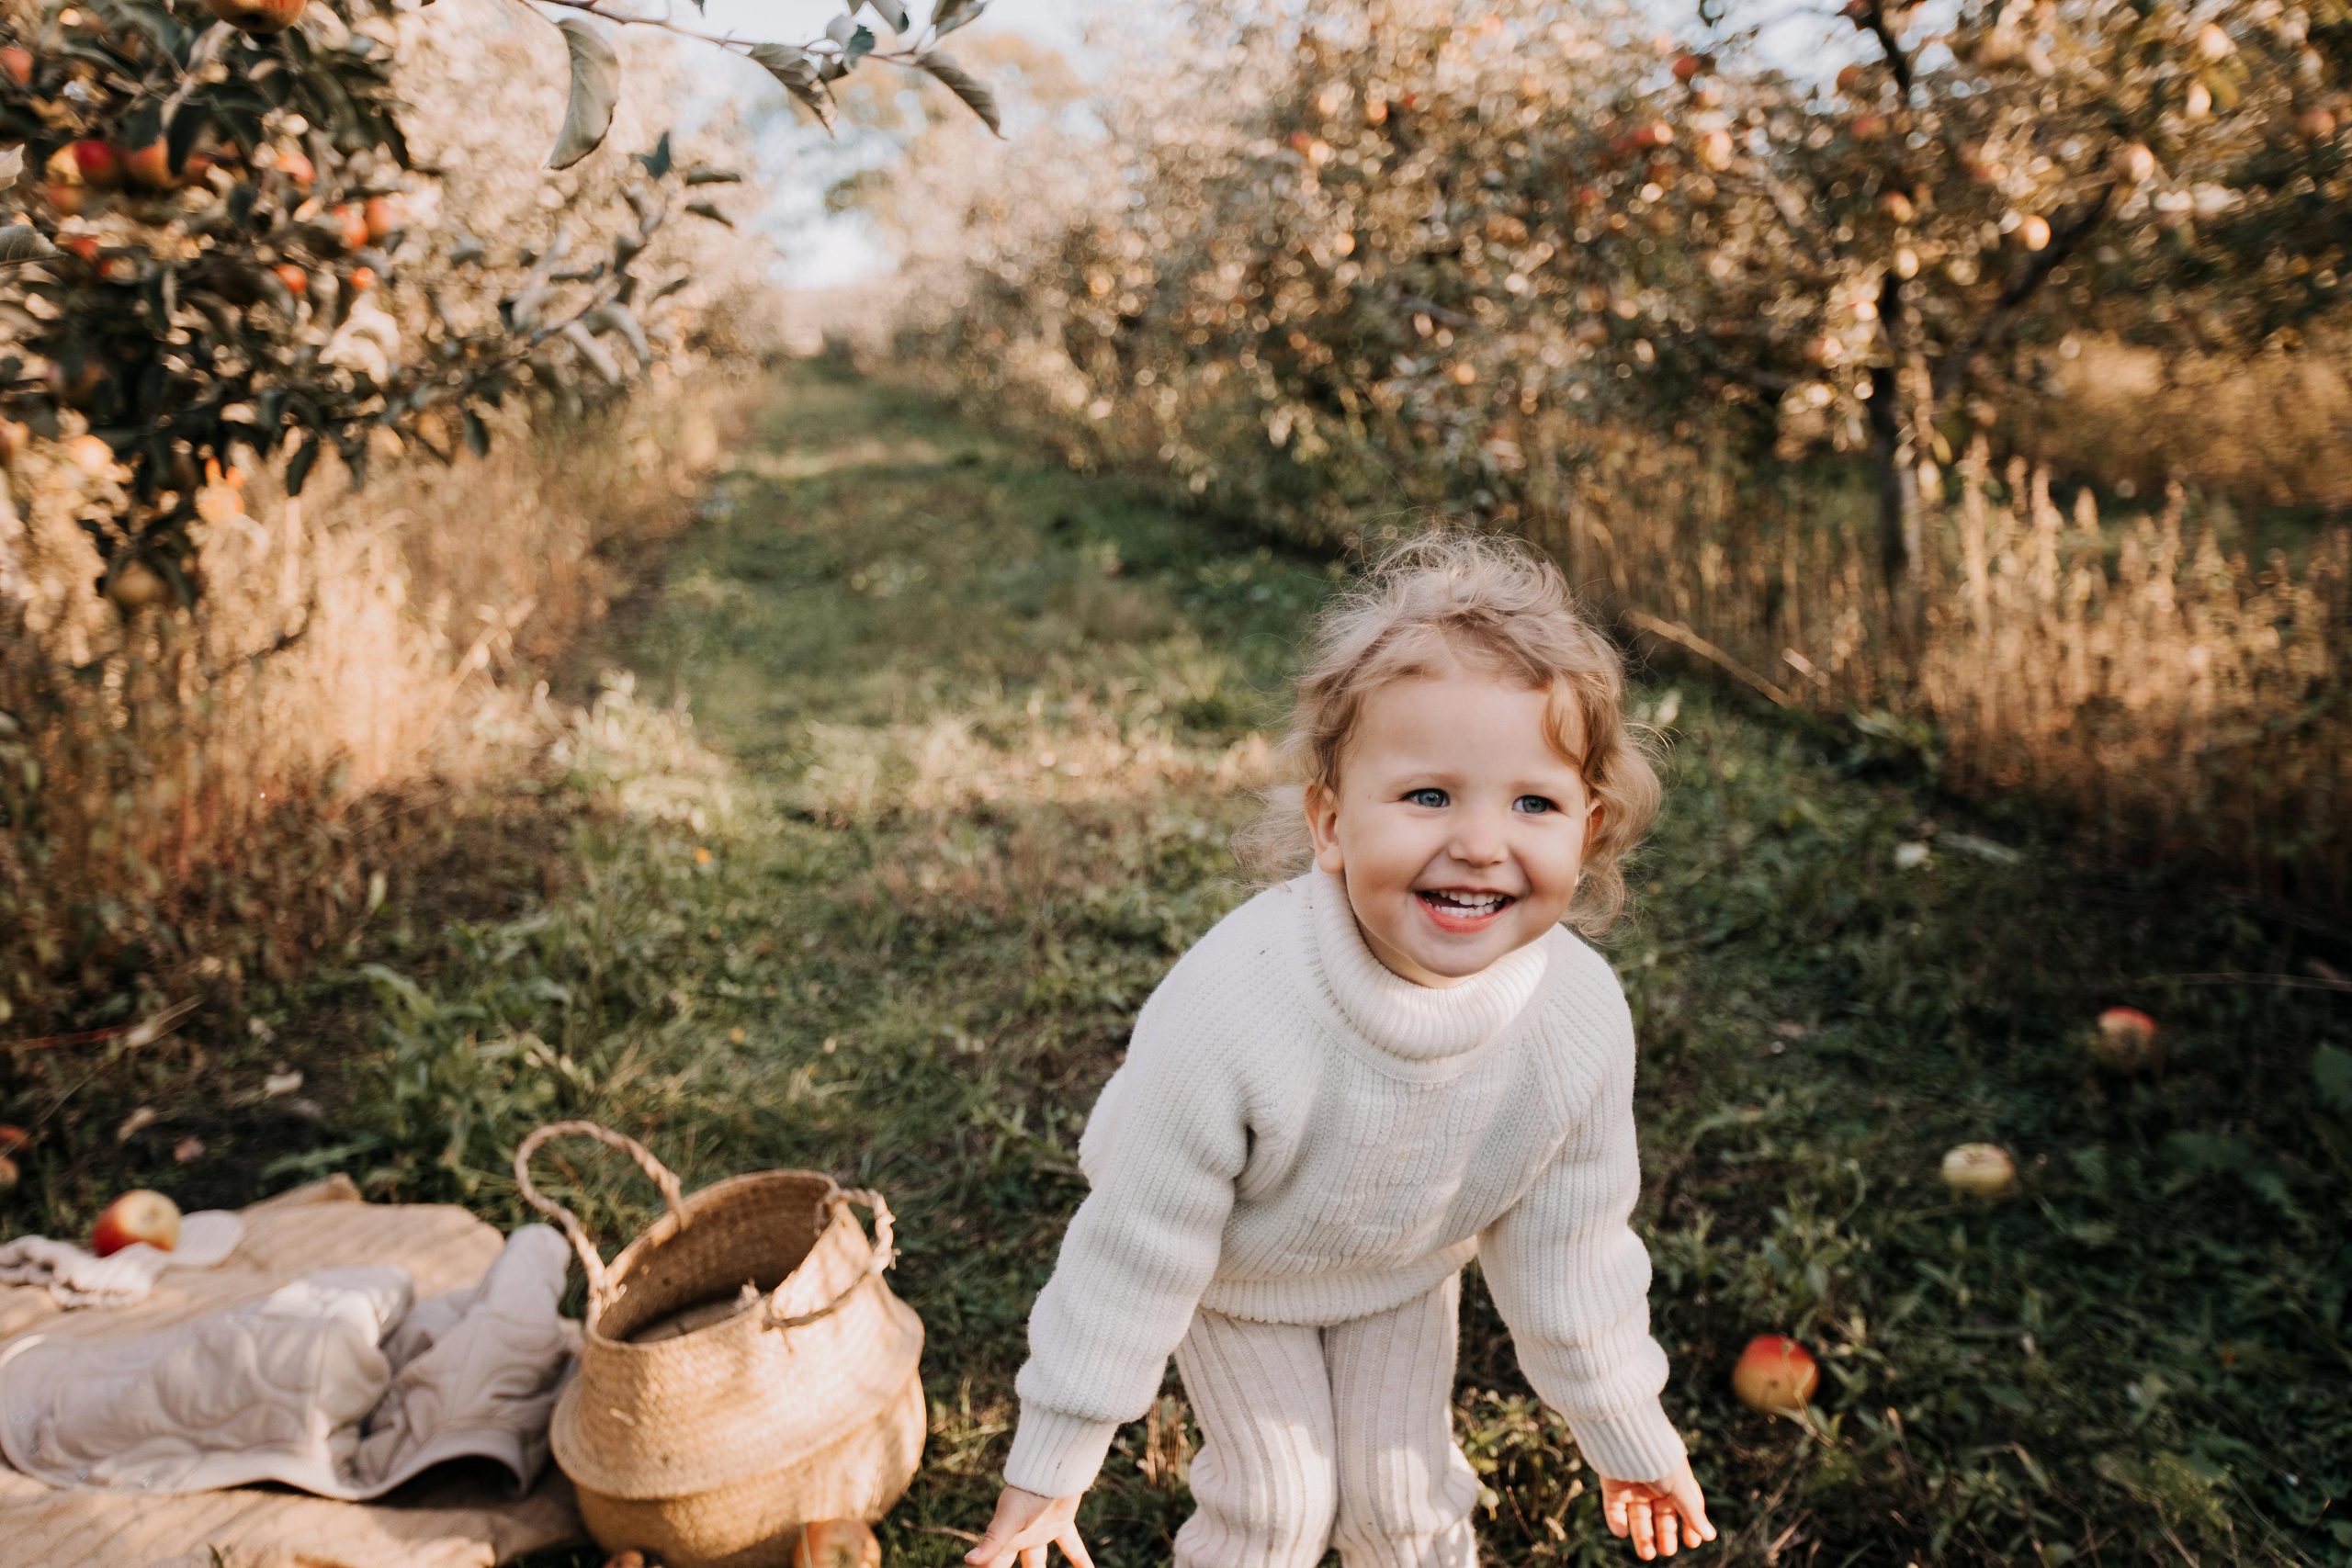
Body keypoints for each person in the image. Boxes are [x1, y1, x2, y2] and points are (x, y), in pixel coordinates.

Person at [967, 534, 1715, 1568]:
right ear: (1329, 823)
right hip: (1240, 1274)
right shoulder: (1238, 1001)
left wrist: (1626, 1430)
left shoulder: (1577, 1017)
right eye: (1428, 795)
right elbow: (1137, 1243)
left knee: (1404, 1511)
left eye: (1532, 803)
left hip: (1401, 1270)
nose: (1482, 843)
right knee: (1277, 1507)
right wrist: (1052, 1465)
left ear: (1588, 832)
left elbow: (1571, 1246)